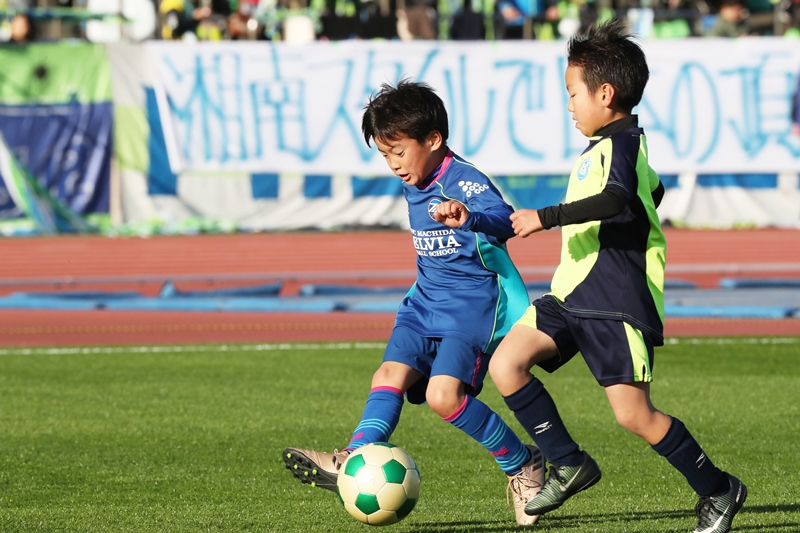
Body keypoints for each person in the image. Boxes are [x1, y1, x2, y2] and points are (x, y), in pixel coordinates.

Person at [488, 19, 747, 533]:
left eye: (573, 93)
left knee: (634, 415)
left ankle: (719, 489)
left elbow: (618, 199)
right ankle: (568, 462)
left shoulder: (624, 144)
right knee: (507, 364)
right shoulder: (611, 148)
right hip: (570, 294)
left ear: (605, 94)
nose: (569, 105)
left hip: (613, 301)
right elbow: (651, 192)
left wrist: (547, 216)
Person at [283, 79, 545, 526]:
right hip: (423, 300)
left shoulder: (463, 179)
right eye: (384, 155)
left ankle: (523, 464)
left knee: (444, 396)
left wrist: (470, 217)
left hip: (472, 306)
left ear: (434, 139)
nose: (393, 164)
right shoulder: (416, 177)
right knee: (387, 375)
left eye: (399, 152)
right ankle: (353, 455)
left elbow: (506, 220)